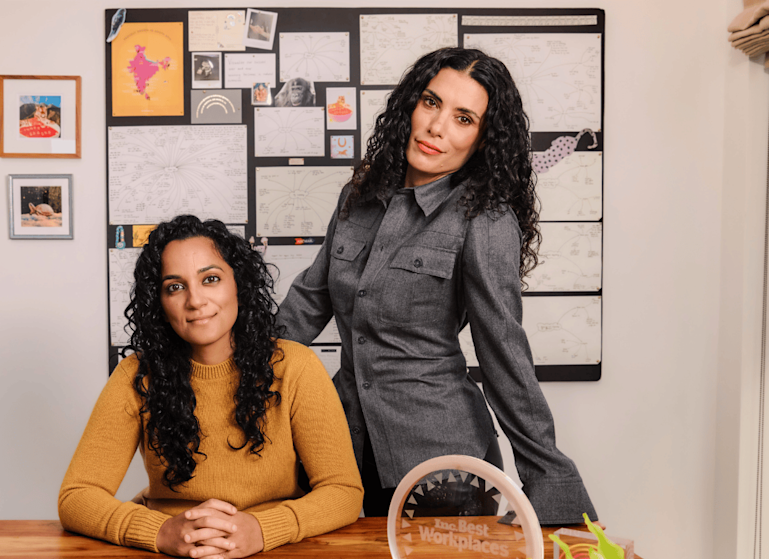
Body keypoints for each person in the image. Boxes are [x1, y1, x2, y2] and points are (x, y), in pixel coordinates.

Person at [276, 47, 598, 525]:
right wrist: (231, 372)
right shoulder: (358, 195)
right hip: (342, 448)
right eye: (431, 102)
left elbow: (504, 354)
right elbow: (309, 300)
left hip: (442, 464)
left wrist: (552, 485)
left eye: (463, 118)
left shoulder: (484, 221)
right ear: (410, 104)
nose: (437, 126)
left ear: (482, 139)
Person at [59, 215, 363, 558]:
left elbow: (343, 490)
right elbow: (77, 495)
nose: (195, 300)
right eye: (175, 286)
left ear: (239, 285)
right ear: (159, 303)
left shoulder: (295, 367)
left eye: (211, 279)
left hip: (273, 549)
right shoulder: (136, 376)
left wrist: (263, 529)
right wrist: (159, 532)